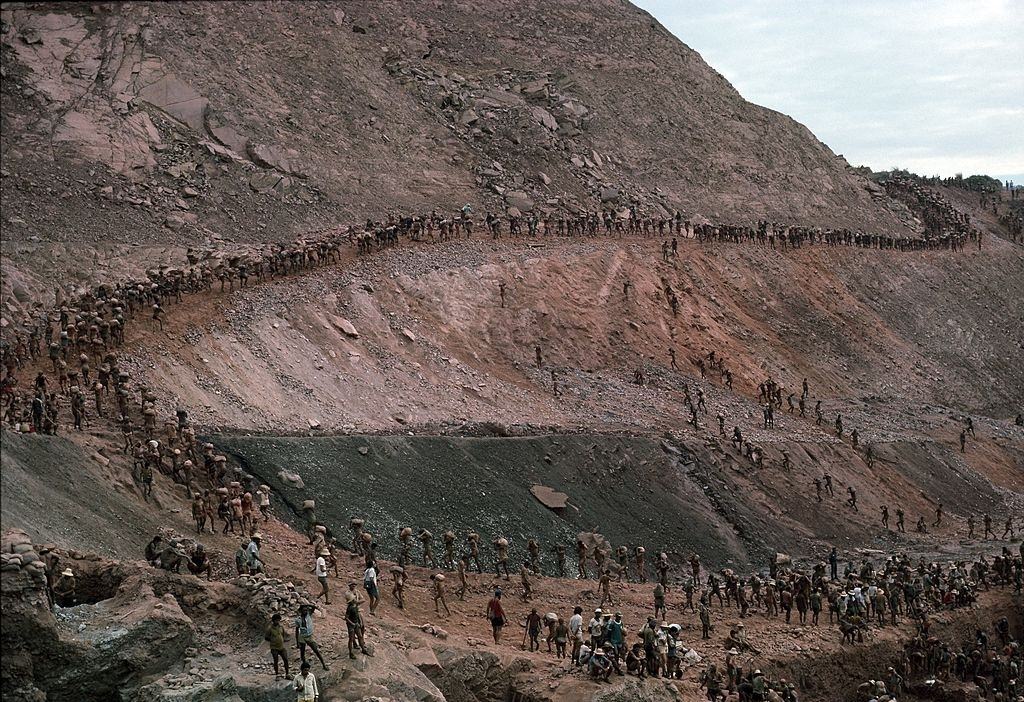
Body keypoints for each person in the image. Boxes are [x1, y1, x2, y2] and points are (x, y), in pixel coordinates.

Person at [294, 605, 328, 670]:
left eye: (306, 610)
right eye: (304, 610)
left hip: (309, 636)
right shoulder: (298, 620)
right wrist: (297, 642)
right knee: (302, 652)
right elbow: (297, 631)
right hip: (302, 636)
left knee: (316, 650)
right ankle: (305, 667)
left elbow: (314, 607)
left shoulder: (308, 615)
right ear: (301, 611)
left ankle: (323, 664)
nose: (305, 611)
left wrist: (308, 605)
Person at [265, 612, 290, 679]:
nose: (278, 621)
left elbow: (283, 634)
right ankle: (277, 675)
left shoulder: (281, 627)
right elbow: (266, 637)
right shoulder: (270, 628)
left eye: (278, 620)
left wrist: (282, 639)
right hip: (274, 647)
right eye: (276, 620)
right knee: (276, 661)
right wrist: (273, 640)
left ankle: (287, 674)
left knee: (286, 659)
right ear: (273, 620)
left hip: (281, 647)